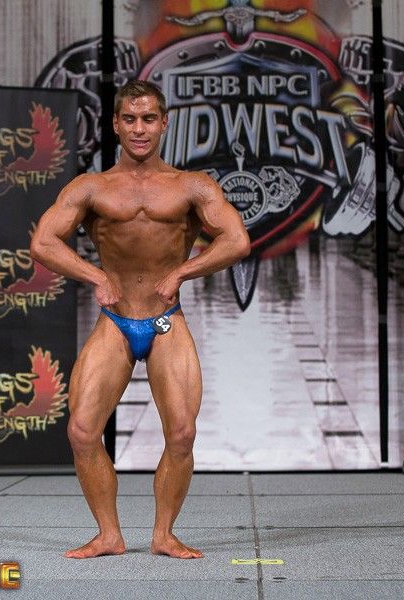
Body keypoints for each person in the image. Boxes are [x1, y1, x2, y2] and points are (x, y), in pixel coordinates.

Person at [30, 80, 250, 559]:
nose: (139, 128)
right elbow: (43, 242)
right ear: (115, 124)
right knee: (81, 430)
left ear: (164, 123)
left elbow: (236, 240)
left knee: (182, 433)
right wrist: (95, 276)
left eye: (149, 118)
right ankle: (109, 534)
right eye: (129, 119)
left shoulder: (192, 186)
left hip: (166, 319)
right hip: (115, 320)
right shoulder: (91, 187)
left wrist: (183, 271)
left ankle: (164, 534)